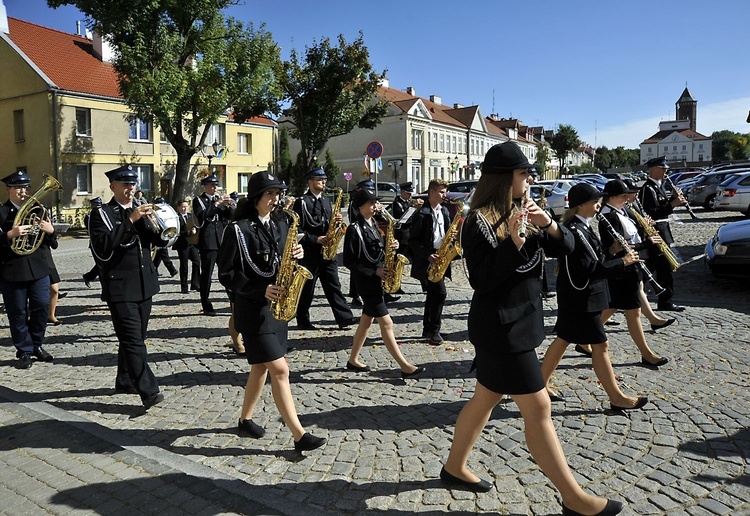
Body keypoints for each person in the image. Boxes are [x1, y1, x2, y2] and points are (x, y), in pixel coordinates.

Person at [441, 143, 623, 516]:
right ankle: (574, 498)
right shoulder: (477, 220)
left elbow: (569, 247)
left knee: (485, 399)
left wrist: (549, 224)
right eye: (524, 173)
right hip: (500, 327)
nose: (531, 179)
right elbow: (483, 281)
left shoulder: (522, 210)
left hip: (523, 320)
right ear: (505, 177)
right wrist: (512, 243)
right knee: (539, 406)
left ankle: (454, 466)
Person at [217, 171, 326, 453]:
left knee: (259, 368)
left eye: (278, 194)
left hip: (277, 308)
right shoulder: (237, 229)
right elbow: (227, 274)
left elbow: (281, 256)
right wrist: (259, 289)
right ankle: (299, 435)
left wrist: (297, 254)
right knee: (279, 369)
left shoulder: (279, 224)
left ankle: (245, 420)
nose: (276, 199)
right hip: (253, 310)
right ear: (256, 198)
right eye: (270, 194)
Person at [540, 182, 648, 413]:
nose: (599, 205)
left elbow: (594, 259)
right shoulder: (576, 230)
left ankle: (540, 384)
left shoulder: (582, 226)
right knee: (601, 345)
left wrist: (613, 251)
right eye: (595, 202)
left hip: (579, 296)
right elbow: (591, 269)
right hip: (582, 297)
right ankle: (616, 396)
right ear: (580, 206)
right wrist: (623, 262)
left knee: (564, 339)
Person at [88, 164, 166, 409]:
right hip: (120, 287)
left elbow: (157, 241)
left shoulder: (139, 210)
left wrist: (158, 224)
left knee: (134, 337)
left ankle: (124, 380)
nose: (130, 188)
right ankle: (148, 390)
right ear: (113, 187)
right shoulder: (101, 215)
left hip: (144, 285)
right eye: (125, 184)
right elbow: (103, 246)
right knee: (134, 341)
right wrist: (131, 220)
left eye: (133, 184)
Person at [582, 180, 669, 369]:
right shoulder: (609, 218)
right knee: (633, 311)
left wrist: (647, 229)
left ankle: (584, 338)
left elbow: (635, 233)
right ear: (611, 197)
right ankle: (646, 353)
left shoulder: (623, 211)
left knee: (613, 306)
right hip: (623, 268)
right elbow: (618, 248)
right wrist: (647, 244)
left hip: (632, 266)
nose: (627, 198)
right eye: (623, 196)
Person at [342, 188, 425, 378]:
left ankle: (353, 360)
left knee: (365, 322)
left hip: (377, 279)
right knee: (386, 323)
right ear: (360, 207)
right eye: (371, 203)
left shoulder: (374, 224)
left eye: (375, 203)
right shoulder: (354, 229)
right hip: (367, 281)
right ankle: (404, 366)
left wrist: (392, 245)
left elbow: (377, 251)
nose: (375, 206)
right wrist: (375, 271)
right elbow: (349, 261)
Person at [0, 171, 56, 369]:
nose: (23, 191)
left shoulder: (39, 210)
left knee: (41, 307)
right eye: (18, 187)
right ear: (8, 189)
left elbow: (51, 243)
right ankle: (24, 350)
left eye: (26, 188)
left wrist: (51, 231)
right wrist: (9, 234)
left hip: (38, 268)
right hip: (12, 271)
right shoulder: (1, 212)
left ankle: (37, 345)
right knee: (18, 313)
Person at [292, 167, 357, 330]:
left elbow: (327, 224)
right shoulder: (302, 202)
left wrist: (336, 222)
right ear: (310, 181)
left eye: (324, 180)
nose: (323, 182)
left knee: (334, 285)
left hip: (328, 251)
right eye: (319, 179)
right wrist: (316, 239)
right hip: (310, 252)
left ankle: (344, 317)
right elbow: (295, 230)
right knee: (307, 288)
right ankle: (303, 320)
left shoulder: (327, 201)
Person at [637, 156, 686, 312]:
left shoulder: (658, 186)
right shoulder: (648, 188)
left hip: (663, 230)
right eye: (663, 169)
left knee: (655, 268)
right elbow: (651, 213)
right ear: (654, 169)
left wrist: (673, 199)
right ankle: (664, 301)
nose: (666, 172)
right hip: (656, 231)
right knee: (661, 268)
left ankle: (662, 300)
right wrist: (673, 204)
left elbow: (662, 206)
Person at [408, 178, 454, 345]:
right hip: (429, 258)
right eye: (441, 192)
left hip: (440, 255)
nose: (444, 195)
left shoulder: (444, 211)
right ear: (432, 192)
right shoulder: (422, 213)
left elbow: (446, 232)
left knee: (434, 294)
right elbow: (412, 241)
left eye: (445, 191)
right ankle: (434, 330)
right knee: (440, 293)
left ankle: (428, 329)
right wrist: (427, 255)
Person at [193, 174, 234, 316]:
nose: (215, 187)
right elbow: (203, 215)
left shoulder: (219, 199)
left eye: (216, 185)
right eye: (212, 185)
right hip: (208, 241)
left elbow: (230, 217)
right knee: (207, 275)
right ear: (205, 186)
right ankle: (206, 304)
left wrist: (229, 206)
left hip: (221, 240)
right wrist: (216, 204)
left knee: (227, 271)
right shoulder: (199, 200)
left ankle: (233, 301)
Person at [346, 179, 376, 306]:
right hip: (360, 240)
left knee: (369, 314)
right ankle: (355, 294)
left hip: (374, 273)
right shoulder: (355, 204)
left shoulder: (373, 221)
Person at [390, 181, 423, 264]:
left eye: (411, 193)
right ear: (402, 192)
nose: (410, 196)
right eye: (408, 193)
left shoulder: (408, 202)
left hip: (410, 232)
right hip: (402, 234)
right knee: (400, 254)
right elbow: (402, 219)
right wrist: (413, 207)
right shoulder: (397, 203)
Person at [173, 199, 201, 295]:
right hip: (182, 244)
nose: (185, 208)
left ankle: (195, 284)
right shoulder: (176, 218)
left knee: (197, 262)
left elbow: (197, 226)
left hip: (192, 244)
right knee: (184, 265)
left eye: (186, 206)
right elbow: (176, 232)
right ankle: (184, 287)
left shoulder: (191, 216)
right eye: (183, 207)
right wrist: (188, 232)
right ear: (179, 208)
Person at [150, 198, 178, 278]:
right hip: (158, 238)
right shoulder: (155, 214)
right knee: (164, 258)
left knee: (159, 257)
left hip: (162, 238)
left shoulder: (161, 214)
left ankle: (155, 270)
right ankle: (172, 270)